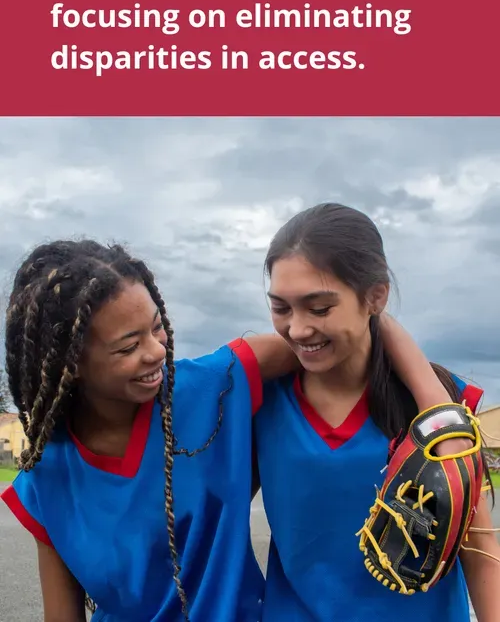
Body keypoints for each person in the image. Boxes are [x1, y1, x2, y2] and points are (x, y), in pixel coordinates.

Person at [2, 237, 466, 622]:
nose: (156, 351)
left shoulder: (214, 385)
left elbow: (357, 330)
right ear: (71, 365)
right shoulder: (47, 473)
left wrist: (439, 420)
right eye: (128, 346)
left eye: (157, 328)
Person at [254, 203, 500, 622]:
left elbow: (479, 548)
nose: (297, 329)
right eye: (281, 308)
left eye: (319, 308)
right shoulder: (261, 402)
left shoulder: (438, 404)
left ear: (376, 296)